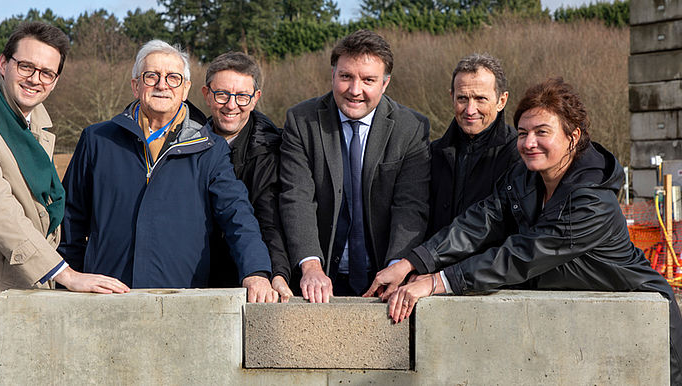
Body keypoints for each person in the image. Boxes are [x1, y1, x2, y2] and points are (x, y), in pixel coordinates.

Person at [364, 78, 682, 385]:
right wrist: (412, 262)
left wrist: (437, 281)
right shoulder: (523, 177)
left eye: (542, 132)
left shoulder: (592, 202)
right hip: (580, 328)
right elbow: (480, 221)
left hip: (642, 331)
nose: (529, 143)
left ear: (573, 136)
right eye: (522, 133)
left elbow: (522, 255)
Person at [0, 22, 130, 385]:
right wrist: (67, 275)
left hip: (25, 291)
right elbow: (1, 216)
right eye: (26, 66)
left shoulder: (32, 125)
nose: (35, 79)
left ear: (56, 80)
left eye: (47, 72)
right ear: (4, 64)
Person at [58, 40, 277, 302]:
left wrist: (255, 271)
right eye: (152, 76)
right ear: (135, 85)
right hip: (106, 296)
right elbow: (70, 219)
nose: (162, 85)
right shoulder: (97, 140)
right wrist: (66, 281)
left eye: (173, 78)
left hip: (180, 298)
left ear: (185, 89)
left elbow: (236, 213)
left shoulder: (209, 148)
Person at [280, 30, 430, 302]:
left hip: (384, 274)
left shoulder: (411, 128)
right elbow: (297, 197)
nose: (354, 90)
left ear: (385, 83)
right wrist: (310, 266)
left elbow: (410, 205)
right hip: (318, 276)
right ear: (333, 75)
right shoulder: (301, 121)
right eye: (346, 76)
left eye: (368, 80)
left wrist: (397, 267)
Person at [201, 52, 293, 301]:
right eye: (222, 95)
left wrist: (276, 272)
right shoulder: (187, 147)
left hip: (254, 280)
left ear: (255, 99)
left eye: (242, 96)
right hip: (198, 280)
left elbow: (271, 220)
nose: (231, 105)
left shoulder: (276, 151)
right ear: (207, 95)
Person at [428, 53, 520, 236]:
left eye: (480, 99)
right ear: (452, 97)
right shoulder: (433, 153)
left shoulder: (518, 154)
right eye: (462, 98)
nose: (470, 110)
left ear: (501, 101)